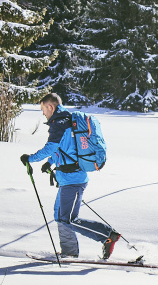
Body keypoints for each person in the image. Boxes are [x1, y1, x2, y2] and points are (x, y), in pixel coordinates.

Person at [20, 93, 120, 259]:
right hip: (67, 179)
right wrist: (50, 163)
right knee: (60, 215)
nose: (43, 113)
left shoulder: (60, 123)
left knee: (68, 219)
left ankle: (108, 236)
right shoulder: (65, 121)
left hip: (73, 180)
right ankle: (69, 251)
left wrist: (30, 158)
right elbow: (64, 149)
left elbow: (50, 148)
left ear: (50, 107)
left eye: (43, 109)